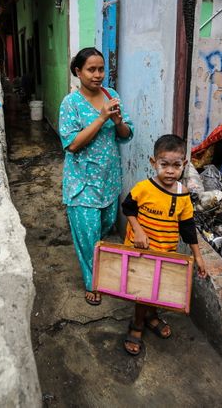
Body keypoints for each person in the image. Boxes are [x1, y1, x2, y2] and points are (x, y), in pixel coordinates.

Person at [59, 47, 134, 306]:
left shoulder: (111, 95)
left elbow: (125, 134)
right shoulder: (70, 104)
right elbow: (72, 144)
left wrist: (118, 122)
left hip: (108, 180)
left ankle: (97, 264)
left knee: (104, 228)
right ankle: (92, 282)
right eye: (91, 69)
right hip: (82, 183)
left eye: (101, 69)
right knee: (88, 236)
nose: (98, 74)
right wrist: (102, 118)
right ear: (78, 72)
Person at [121, 134, 207, 355]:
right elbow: (128, 207)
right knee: (143, 290)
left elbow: (187, 227)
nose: (170, 171)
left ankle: (150, 315)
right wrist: (138, 230)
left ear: (184, 165)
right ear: (153, 163)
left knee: (157, 288)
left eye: (176, 165)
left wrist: (197, 256)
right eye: (164, 165)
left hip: (166, 252)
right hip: (140, 251)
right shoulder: (144, 188)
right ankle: (136, 325)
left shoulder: (183, 195)